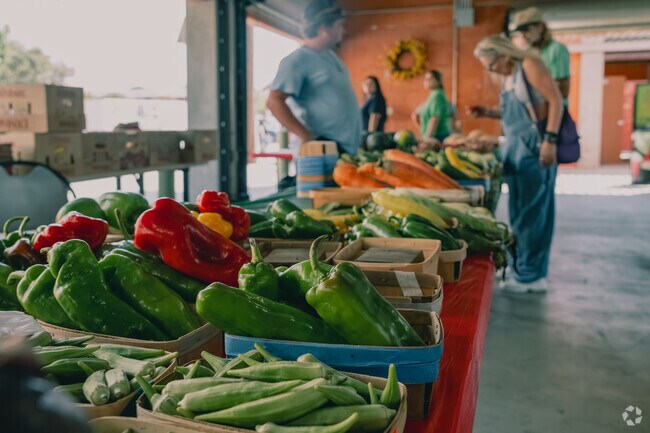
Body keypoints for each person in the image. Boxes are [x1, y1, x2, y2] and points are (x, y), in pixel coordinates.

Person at [469, 35, 564, 293]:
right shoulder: (509, 78)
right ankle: (523, 267)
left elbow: (556, 101)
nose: (491, 70)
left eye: (491, 64)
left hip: (534, 151)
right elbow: (518, 110)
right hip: (515, 153)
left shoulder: (530, 66)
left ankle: (532, 276)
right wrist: (487, 113)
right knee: (520, 214)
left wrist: (550, 140)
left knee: (535, 215)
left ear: (504, 54)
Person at [266, 0, 362, 155]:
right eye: (339, 26)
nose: (343, 31)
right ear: (325, 29)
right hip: (321, 149)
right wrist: (306, 135)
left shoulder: (331, 56)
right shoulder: (297, 61)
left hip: (345, 151)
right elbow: (274, 101)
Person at [510, 7, 570, 102]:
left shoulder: (557, 49)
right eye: (522, 32)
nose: (524, 35)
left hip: (556, 110)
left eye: (527, 30)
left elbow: (563, 90)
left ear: (540, 27)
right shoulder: (530, 53)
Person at [411, 70, 451, 144]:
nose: (426, 81)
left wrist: (427, 137)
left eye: (430, 78)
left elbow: (435, 118)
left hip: (438, 137)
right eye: (425, 79)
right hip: (432, 136)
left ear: (438, 81)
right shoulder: (432, 95)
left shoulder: (437, 95)